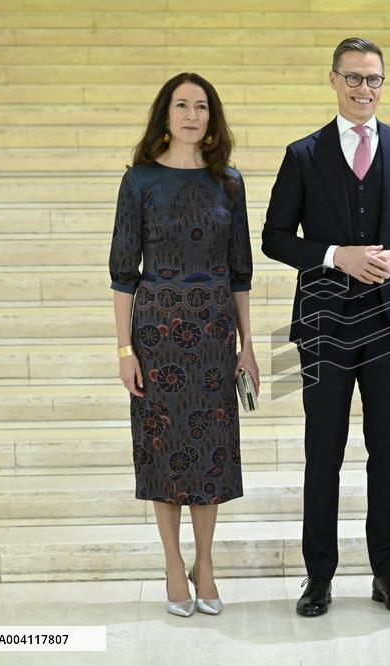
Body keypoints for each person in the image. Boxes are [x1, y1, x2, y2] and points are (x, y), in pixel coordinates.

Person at [261, 37, 390, 617]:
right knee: (324, 451)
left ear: (384, 84)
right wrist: (337, 254)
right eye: (354, 78)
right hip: (324, 324)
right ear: (333, 80)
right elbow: (275, 237)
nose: (365, 89)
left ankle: (388, 573)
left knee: (388, 451)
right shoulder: (303, 154)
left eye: (375, 79)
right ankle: (319, 577)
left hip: (389, 321)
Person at [110, 72, 257, 617]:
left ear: (212, 118)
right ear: (165, 115)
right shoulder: (140, 181)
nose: (191, 115)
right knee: (164, 452)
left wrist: (247, 346)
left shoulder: (230, 183)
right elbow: (123, 275)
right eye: (181, 105)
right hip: (157, 336)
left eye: (201, 106)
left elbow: (240, 273)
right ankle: (174, 563)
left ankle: (206, 562)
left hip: (215, 335)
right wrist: (125, 351)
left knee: (212, 453)